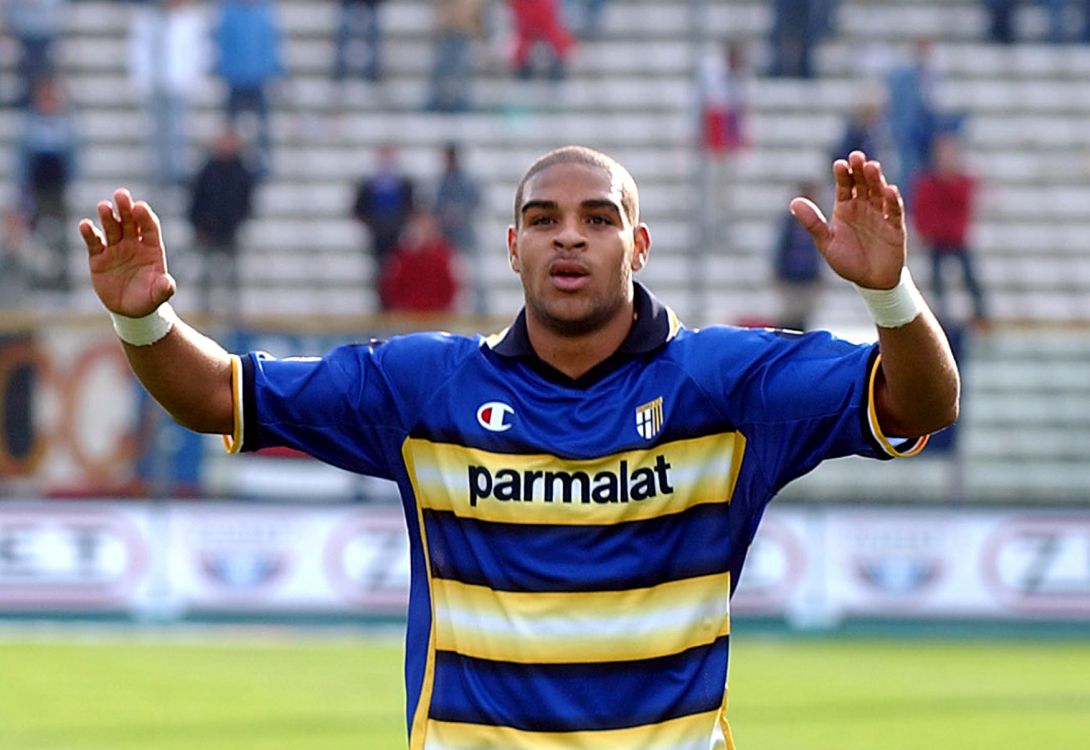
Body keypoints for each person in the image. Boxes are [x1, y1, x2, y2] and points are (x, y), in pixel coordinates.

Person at [79, 145, 959, 749]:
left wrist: (891, 297)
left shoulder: (723, 383)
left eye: (598, 218)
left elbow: (923, 401)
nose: (569, 235)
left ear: (638, 246)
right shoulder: (426, 389)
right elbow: (216, 396)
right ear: (512, 247)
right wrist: (143, 319)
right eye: (543, 219)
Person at [128, 0, 210, 187]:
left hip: (179, 82)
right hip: (156, 83)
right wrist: (141, 79)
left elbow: (199, 53)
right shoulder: (149, 20)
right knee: (157, 130)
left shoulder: (191, 21)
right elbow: (140, 51)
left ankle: (176, 172)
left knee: (177, 130)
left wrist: (193, 78)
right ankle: (158, 173)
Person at [911, 132, 988, 326]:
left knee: (970, 277)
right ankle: (942, 317)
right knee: (937, 281)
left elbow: (965, 202)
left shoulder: (961, 180)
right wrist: (924, 231)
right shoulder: (928, 182)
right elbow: (922, 208)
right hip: (937, 238)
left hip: (956, 237)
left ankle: (980, 314)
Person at [186, 128, 256, 315]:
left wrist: (237, 222)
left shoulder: (242, 173)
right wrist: (198, 225)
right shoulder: (207, 171)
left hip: (230, 232)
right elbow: (196, 199)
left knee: (233, 275)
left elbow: (246, 202)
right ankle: (204, 310)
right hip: (208, 232)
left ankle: (234, 313)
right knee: (205, 274)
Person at [213, 0, 284, 176]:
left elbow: (271, 45)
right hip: (235, 79)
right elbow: (222, 44)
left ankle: (263, 164)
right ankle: (230, 165)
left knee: (262, 128)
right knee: (231, 127)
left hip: (258, 80)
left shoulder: (264, 13)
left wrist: (272, 70)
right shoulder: (229, 13)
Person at [352, 143, 416, 293]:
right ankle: (382, 297)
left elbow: (410, 206)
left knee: (397, 266)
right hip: (377, 230)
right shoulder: (370, 182)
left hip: (397, 230)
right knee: (379, 267)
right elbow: (359, 207)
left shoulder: (402, 182)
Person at [433, 142, 484, 313]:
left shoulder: (467, 181)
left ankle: (480, 309)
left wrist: (460, 212)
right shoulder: (441, 181)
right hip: (447, 237)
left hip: (465, 235)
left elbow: (476, 202)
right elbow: (435, 207)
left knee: (474, 274)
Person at [378, 208, 460, 312]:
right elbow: (391, 287)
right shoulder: (401, 256)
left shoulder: (445, 255)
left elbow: (450, 287)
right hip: (407, 313)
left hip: (437, 314)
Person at [772, 180, 824, 331]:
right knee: (789, 314)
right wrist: (777, 270)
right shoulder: (789, 222)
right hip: (789, 274)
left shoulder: (820, 222)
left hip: (808, 275)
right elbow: (781, 246)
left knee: (804, 315)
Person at [333, 0, 386, 82]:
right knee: (342, 30)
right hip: (348, 5)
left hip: (371, 6)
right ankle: (340, 72)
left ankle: (372, 73)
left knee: (374, 33)